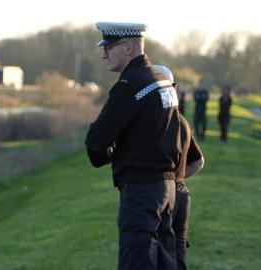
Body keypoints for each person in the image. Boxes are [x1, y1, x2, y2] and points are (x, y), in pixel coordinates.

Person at [85, 22, 202, 270]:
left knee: (136, 263)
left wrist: (110, 151)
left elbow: (96, 143)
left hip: (141, 191)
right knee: (165, 263)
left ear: (127, 47)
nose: (104, 53)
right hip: (168, 191)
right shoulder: (161, 80)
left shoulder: (130, 86)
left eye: (109, 47)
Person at [153, 65, 204, 270]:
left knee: (160, 255)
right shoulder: (182, 120)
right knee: (178, 251)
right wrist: (178, 179)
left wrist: (168, 183)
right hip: (182, 195)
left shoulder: (156, 122)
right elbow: (198, 162)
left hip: (163, 197)